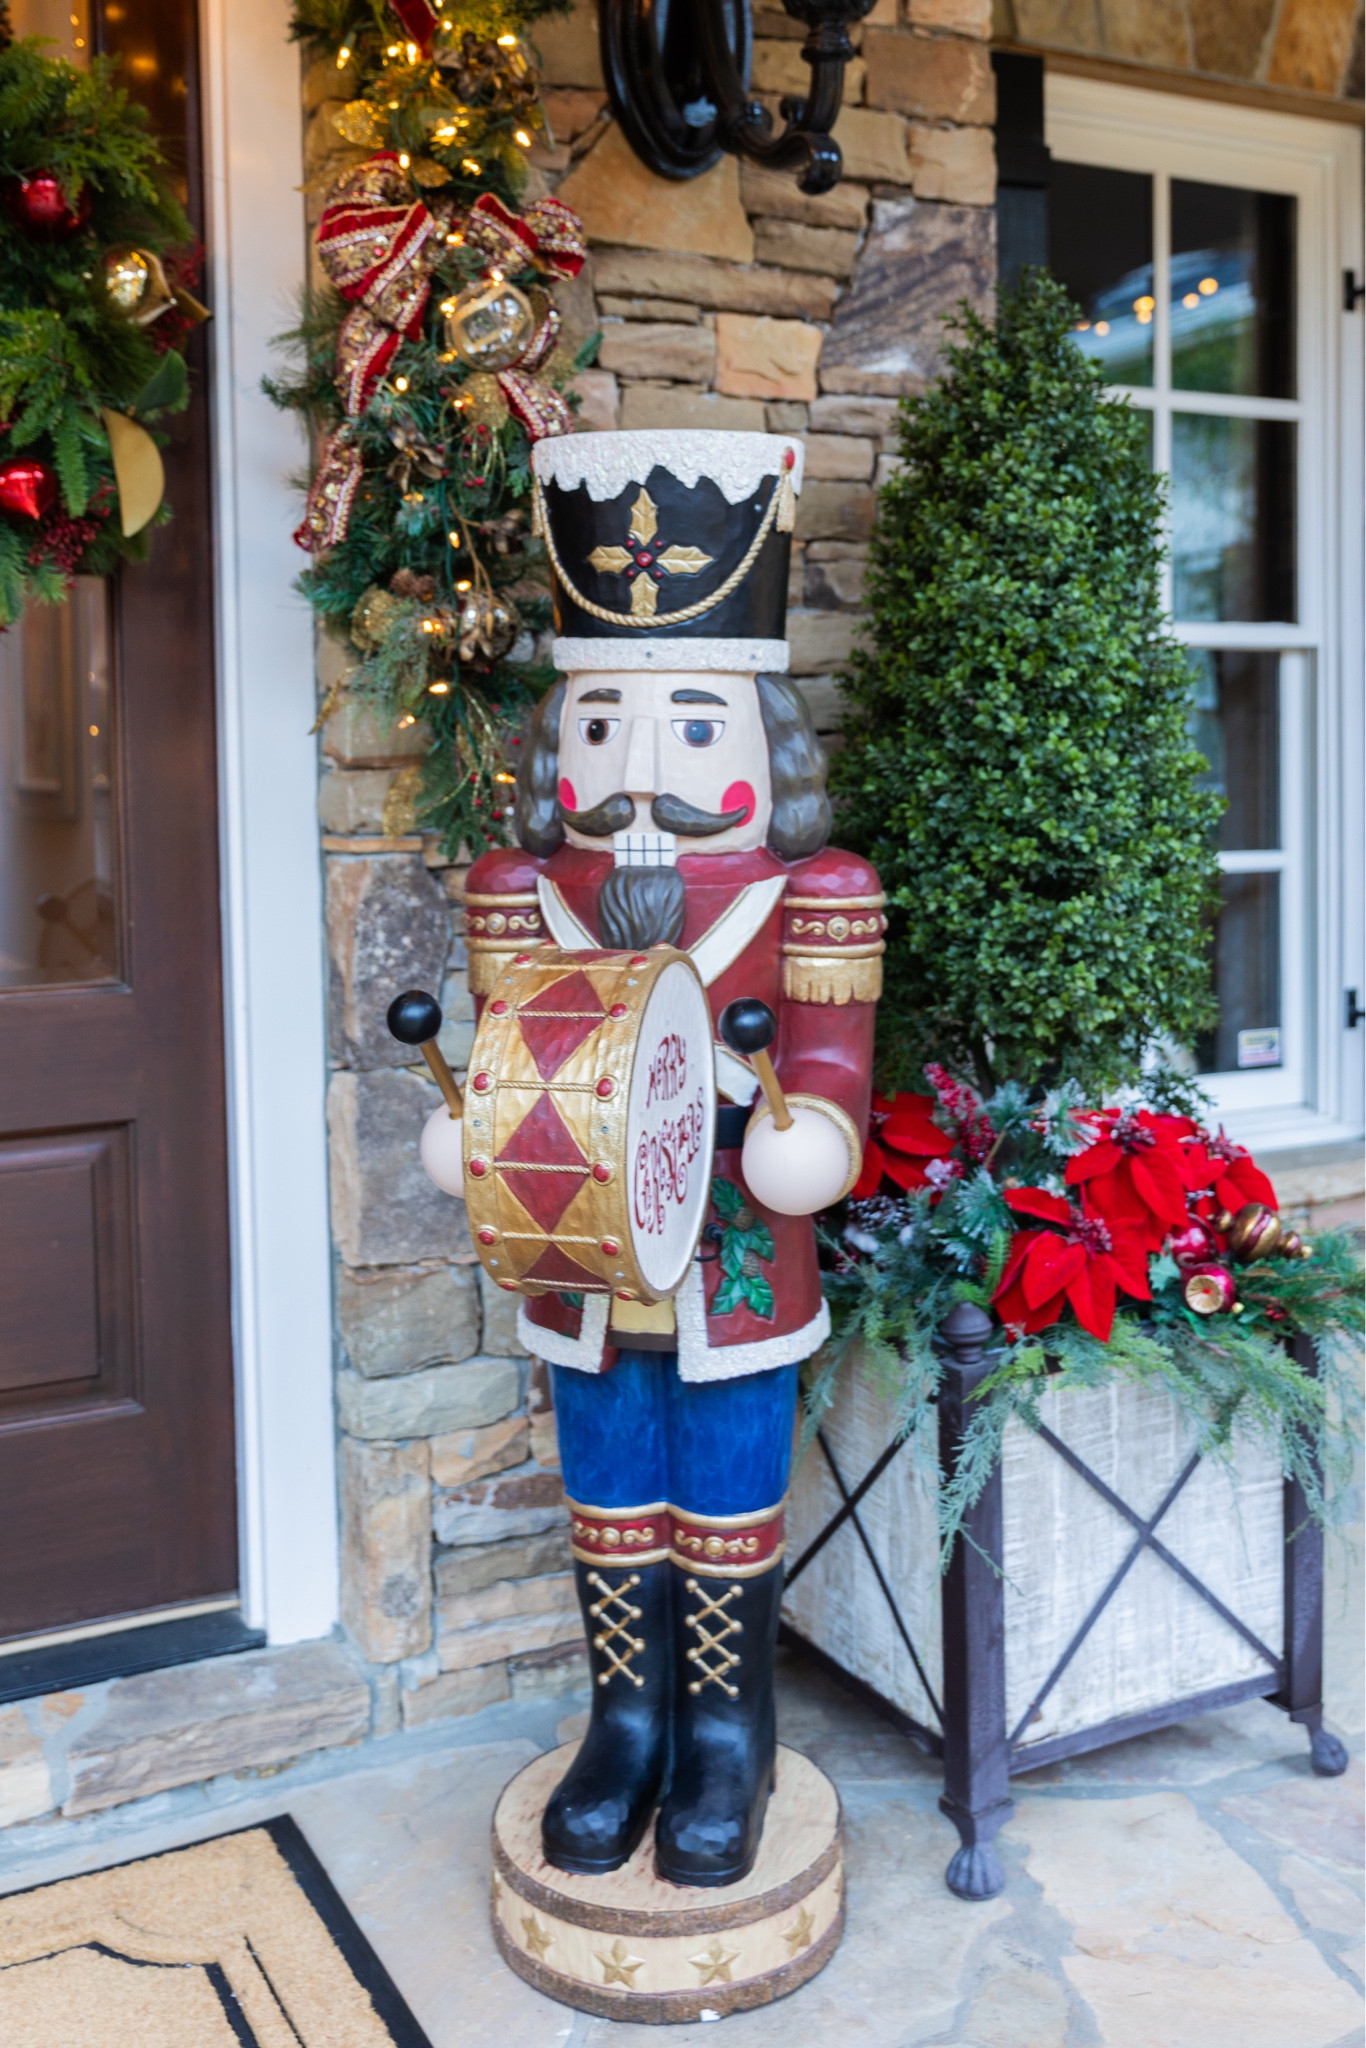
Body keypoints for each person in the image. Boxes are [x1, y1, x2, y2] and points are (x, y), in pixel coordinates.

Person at [420, 431, 883, 1887]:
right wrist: (468, 1126)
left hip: (738, 1261)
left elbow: (826, 1078)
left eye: (692, 728)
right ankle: (625, 1721)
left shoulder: (816, 899)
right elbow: (502, 1052)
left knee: (726, 1495)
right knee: (610, 1490)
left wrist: (805, 1125)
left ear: (762, 748)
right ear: (560, 751)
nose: (641, 773)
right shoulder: (520, 891)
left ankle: (725, 1735)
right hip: (573, 1261)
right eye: (603, 728)